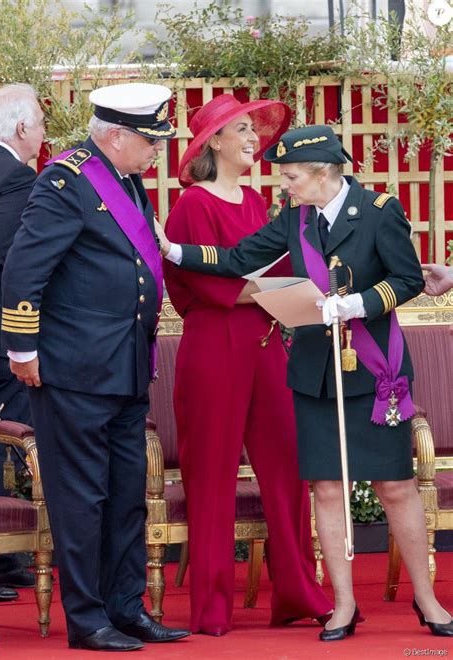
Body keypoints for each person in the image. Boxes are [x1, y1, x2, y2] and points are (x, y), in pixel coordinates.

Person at [156, 124, 453, 640]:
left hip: (375, 367)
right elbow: (238, 260)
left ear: (323, 174)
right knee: (325, 487)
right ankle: (341, 605)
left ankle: (427, 602)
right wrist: (174, 250)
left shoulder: (380, 211)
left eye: (292, 177)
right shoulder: (294, 218)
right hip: (316, 372)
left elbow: (407, 280)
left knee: (396, 486)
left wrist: (356, 303)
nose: (284, 186)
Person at [1, 82, 191, 652]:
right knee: (81, 499)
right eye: (150, 139)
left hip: (127, 366)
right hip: (75, 370)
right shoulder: (65, 181)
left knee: (125, 493)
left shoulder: (130, 183)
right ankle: (87, 619)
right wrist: (23, 350)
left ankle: (126, 608)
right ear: (114, 135)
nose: (159, 149)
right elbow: (24, 269)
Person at [163, 95, 333, 636]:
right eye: (241, 130)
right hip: (214, 349)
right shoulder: (192, 204)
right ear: (213, 142)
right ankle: (212, 610)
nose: (252, 138)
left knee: (286, 468)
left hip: (266, 344)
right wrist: (271, 290)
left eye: (252, 130)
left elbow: (272, 273)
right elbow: (213, 286)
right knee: (210, 476)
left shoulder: (259, 201)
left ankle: (298, 594)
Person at [0, 83, 44, 602]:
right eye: (41, 124)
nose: (44, 134)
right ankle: (0, 559)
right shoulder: (17, 177)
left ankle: (9, 559)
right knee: (4, 438)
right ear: (21, 129)